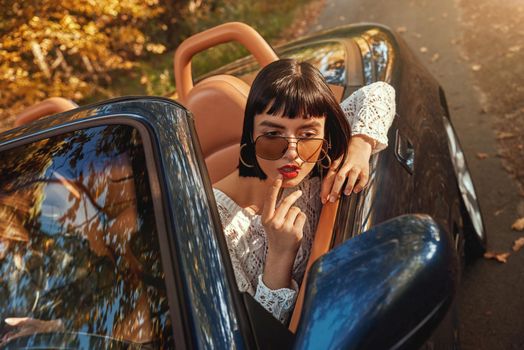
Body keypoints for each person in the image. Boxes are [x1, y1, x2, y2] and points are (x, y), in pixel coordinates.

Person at [213, 58, 396, 324]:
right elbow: (259, 336)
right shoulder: (216, 225)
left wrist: (360, 146)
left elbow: (380, 92)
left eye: (308, 135)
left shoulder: (323, 151)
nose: (293, 154)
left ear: (324, 134)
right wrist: (280, 254)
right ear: (250, 135)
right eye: (273, 136)